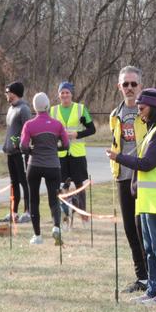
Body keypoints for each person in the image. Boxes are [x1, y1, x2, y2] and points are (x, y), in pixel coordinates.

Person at [106, 88, 156, 305]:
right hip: (147, 200)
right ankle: (153, 289)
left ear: (154, 108)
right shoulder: (152, 130)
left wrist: (119, 158)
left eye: (142, 109)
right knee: (149, 248)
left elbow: (147, 163)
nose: (139, 113)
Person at [109, 66, 148, 293]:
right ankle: (141, 278)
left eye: (134, 84)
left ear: (140, 85)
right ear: (119, 87)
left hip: (143, 176)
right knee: (130, 230)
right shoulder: (115, 114)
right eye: (126, 84)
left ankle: (153, 276)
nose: (130, 88)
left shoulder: (148, 112)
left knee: (143, 228)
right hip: (123, 177)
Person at [21, 92, 69, 245]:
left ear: (34, 107)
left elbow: (23, 146)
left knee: (33, 200)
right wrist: (55, 148)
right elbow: (66, 145)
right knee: (54, 199)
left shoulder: (29, 125)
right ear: (48, 105)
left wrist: (32, 150)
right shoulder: (57, 124)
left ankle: (37, 236)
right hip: (53, 165)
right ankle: (56, 227)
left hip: (34, 165)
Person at [50, 81, 96, 218]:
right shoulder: (53, 110)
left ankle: (83, 215)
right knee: (62, 185)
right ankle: (65, 215)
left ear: (71, 94)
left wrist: (77, 134)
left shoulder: (80, 109)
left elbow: (92, 129)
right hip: (61, 153)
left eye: (67, 92)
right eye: (62, 93)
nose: (65, 95)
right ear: (59, 95)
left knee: (79, 184)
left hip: (77, 152)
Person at [1, 82, 31, 223]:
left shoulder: (24, 109)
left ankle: (28, 212)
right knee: (14, 183)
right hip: (10, 152)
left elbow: (28, 131)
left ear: (14, 93)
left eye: (8, 92)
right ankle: (14, 212)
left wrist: (20, 144)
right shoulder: (10, 109)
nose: (6, 94)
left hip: (20, 153)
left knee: (24, 182)